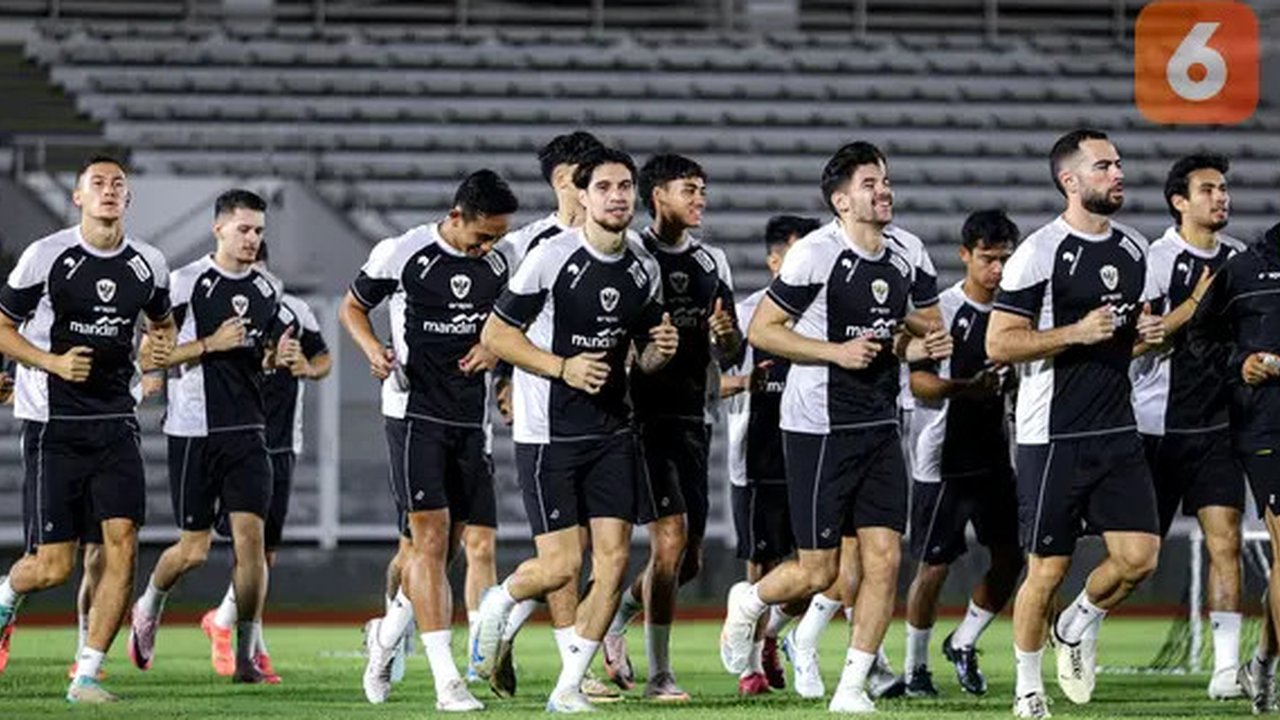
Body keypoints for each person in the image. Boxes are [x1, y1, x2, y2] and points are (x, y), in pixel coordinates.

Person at [719, 141, 951, 713]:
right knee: (817, 571)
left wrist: (921, 342)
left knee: (885, 559)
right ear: (841, 201)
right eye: (870, 183)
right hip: (818, 426)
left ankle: (851, 687)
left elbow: (926, 325)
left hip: (881, 421)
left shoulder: (908, 251)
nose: (883, 190)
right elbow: (764, 331)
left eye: (885, 180)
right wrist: (834, 352)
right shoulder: (814, 255)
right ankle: (749, 601)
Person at [472, 146, 679, 712]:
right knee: (563, 566)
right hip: (549, 432)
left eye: (625, 186)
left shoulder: (643, 265)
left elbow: (642, 357)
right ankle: (499, 601)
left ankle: (567, 688)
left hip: (613, 430)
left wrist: (659, 352)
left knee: (612, 563)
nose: (617, 196)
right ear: (581, 196)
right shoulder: (550, 257)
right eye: (604, 187)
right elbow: (496, 336)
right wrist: (562, 367)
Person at [986, 129, 1165, 718]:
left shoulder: (1134, 248)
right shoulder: (1039, 252)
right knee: (1047, 569)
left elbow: (1122, 339)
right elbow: (999, 344)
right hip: (1051, 434)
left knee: (1140, 558)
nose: (1118, 173)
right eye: (1104, 166)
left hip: (1116, 429)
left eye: (1118, 163)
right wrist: (1076, 332)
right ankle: (1027, 690)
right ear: (1070, 180)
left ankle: (1076, 621)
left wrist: (1144, 337)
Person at [339, 170, 520, 712]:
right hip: (413, 413)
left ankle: (386, 635)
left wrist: (495, 352)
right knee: (432, 541)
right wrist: (372, 349)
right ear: (457, 216)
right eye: (482, 236)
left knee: (444, 550)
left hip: (470, 419)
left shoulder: (501, 262)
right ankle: (447, 682)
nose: (488, 247)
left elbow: (512, 325)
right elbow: (352, 307)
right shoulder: (403, 252)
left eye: (496, 237)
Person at [0, 155, 174, 702]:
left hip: (116, 422)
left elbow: (163, 325)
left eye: (118, 184)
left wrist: (158, 352)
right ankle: (6, 596)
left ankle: (88, 676)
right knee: (53, 567)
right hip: (53, 423)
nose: (109, 190)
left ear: (128, 199)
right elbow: (3, 327)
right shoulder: (45, 256)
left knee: (123, 547)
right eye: (97, 183)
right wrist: (50, 363)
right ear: (77, 197)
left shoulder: (149, 263)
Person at [128, 189, 289, 685]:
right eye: (243, 229)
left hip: (249, 430)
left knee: (252, 545)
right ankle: (149, 605)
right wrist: (209, 344)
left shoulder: (268, 289)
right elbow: (150, 356)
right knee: (193, 551)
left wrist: (274, 358)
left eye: (258, 231)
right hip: (194, 429)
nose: (252, 239)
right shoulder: (184, 282)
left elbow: (259, 353)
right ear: (218, 228)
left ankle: (245, 657)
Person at [601, 153, 741, 701]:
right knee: (670, 540)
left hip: (693, 418)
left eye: (702, 189)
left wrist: (726, 336)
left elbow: (730, 351)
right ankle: (660, 675)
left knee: (687, 562)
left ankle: (616, 618)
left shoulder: (712, 261)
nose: (700, 199)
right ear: (658, 195)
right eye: (689, 189)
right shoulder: (632, 256)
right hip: (642, 419)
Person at [485, 130, 606, 699]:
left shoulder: (617, 244)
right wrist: (504, 381)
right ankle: (568, 667)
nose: (605, 190)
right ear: (565, 181)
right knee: (565, 556)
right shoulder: (526, 245)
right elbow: (496, 325)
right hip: (544, 417)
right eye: (591, 178)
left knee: (592, 552)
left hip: (605, 418)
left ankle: (513, 633)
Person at [1130, 154, 1248, 701]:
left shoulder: (1242, 260)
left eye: (1223, 188)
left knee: (1226, 542)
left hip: (1218, 426)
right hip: (1156, 427)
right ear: (1179, 201)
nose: (1220, 197)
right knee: (1135, 561)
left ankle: (1225, 670)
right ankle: (1080, 625)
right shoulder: (1154, 261)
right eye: (1207, 189)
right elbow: (1138, 342)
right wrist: (1196, 303)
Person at [901, 209, 1023, 698]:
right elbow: (919, 382)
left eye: (1005, 259)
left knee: (1012, 558)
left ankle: (964, 640)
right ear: (965, 255)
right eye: (988, 259)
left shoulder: (1015, 313)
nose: (997, 269)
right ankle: (915, 668)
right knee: (933, 566)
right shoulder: (943, 312)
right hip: (942, 459)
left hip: (994, 456)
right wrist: (968, 388)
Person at [200, 241, 333, 681]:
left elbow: (323, 358)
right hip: (233, 437)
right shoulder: (217, 310)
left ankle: (226, 624)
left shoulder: (294, 310)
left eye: (255, 263)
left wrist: (306, 368)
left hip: (280, 444)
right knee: (242, 548)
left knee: (264, 554)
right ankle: (246, 645)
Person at [721, 214, 820, 696]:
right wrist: (745, 380)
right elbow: (710, 383)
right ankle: (749, 665)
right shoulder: (745, 316)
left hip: (814, 452)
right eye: (799, 255)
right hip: (758, 458)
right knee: (762, 565)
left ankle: (771, 636)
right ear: (774, 261)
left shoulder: (824, 314)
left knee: (816, 569)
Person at [1187, 219, 1280, 715]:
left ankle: (1262, 662)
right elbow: (1201, 337)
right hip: (1267, 429)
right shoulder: (1244, 269)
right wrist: (1239, 364)